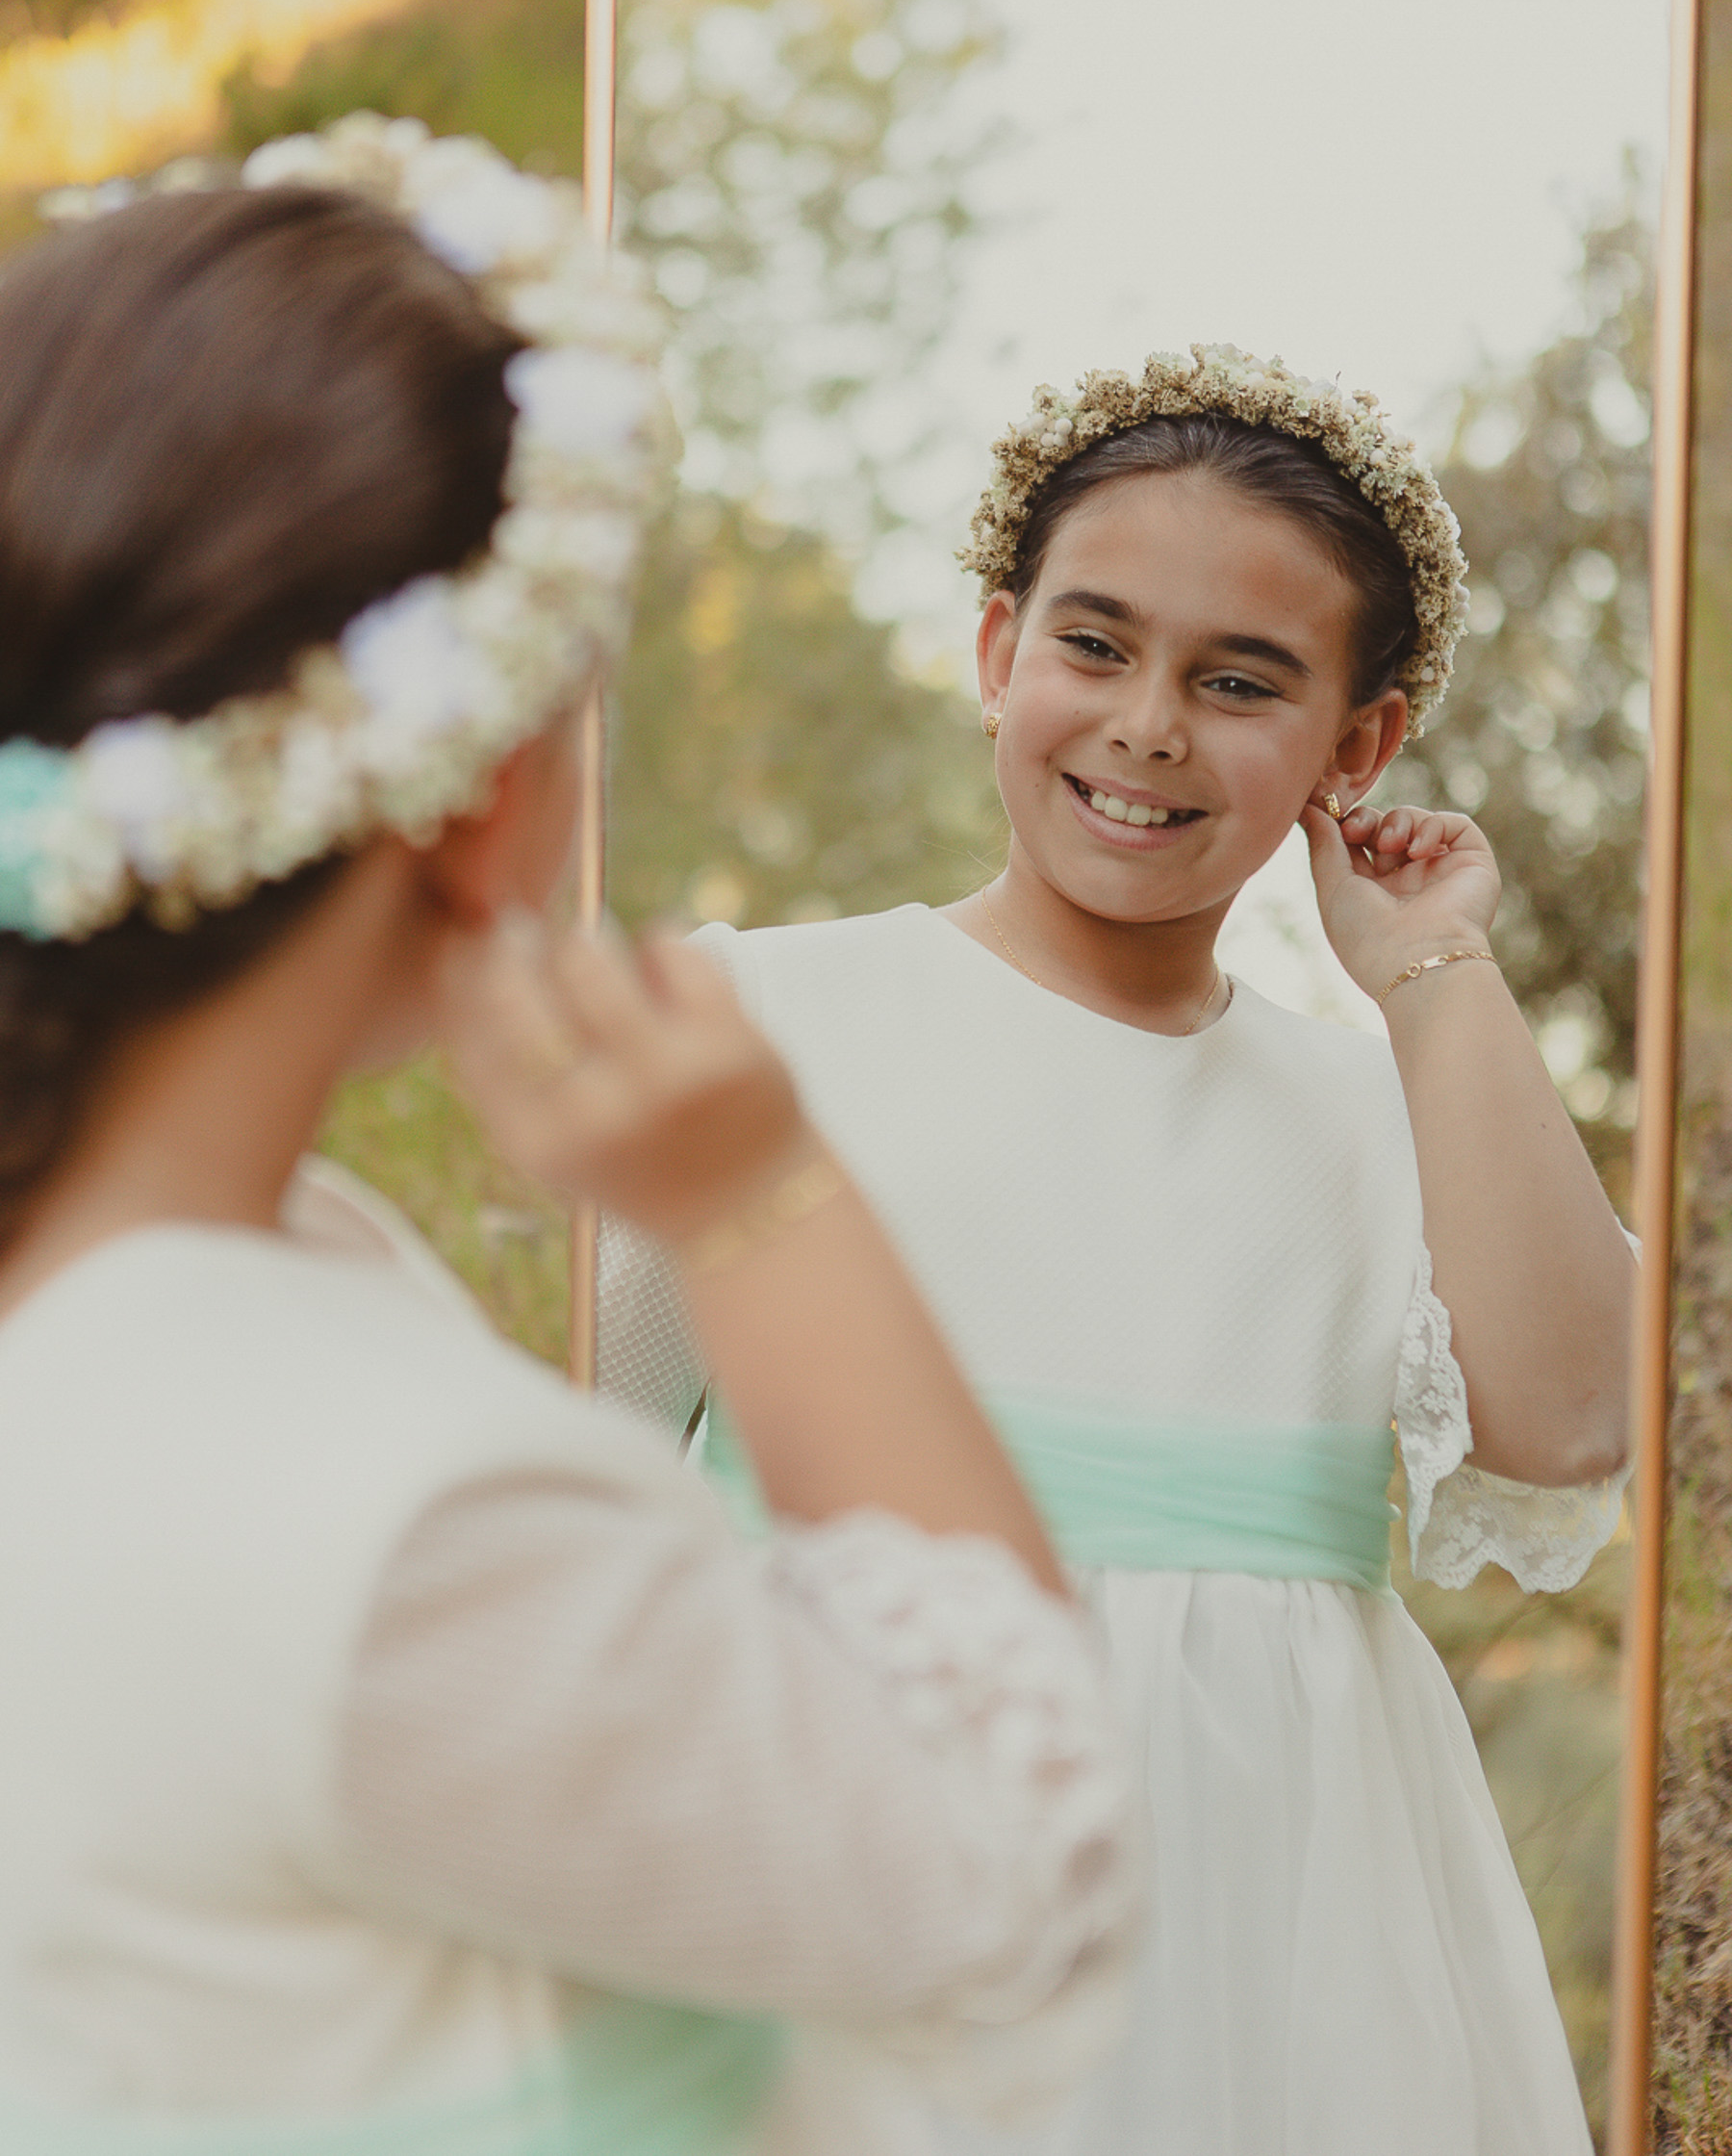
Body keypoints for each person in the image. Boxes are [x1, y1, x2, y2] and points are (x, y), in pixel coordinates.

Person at [0, 120, 1141, 2156]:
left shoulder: (205, 1292)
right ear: (478, 797)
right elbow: (1009, 1864)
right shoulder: (392, 1510)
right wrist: (758, 1200)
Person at [602, 346, 1636, 2155]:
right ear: (1000, 653)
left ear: (1358, 746)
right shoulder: (758, 1016)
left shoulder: (1391, 1108)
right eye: (1096, 646)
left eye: (1241, 681)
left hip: (1272, 1918)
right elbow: (588, 1447)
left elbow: (1571, 1424)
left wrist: (1435, 974)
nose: (1151, 724)